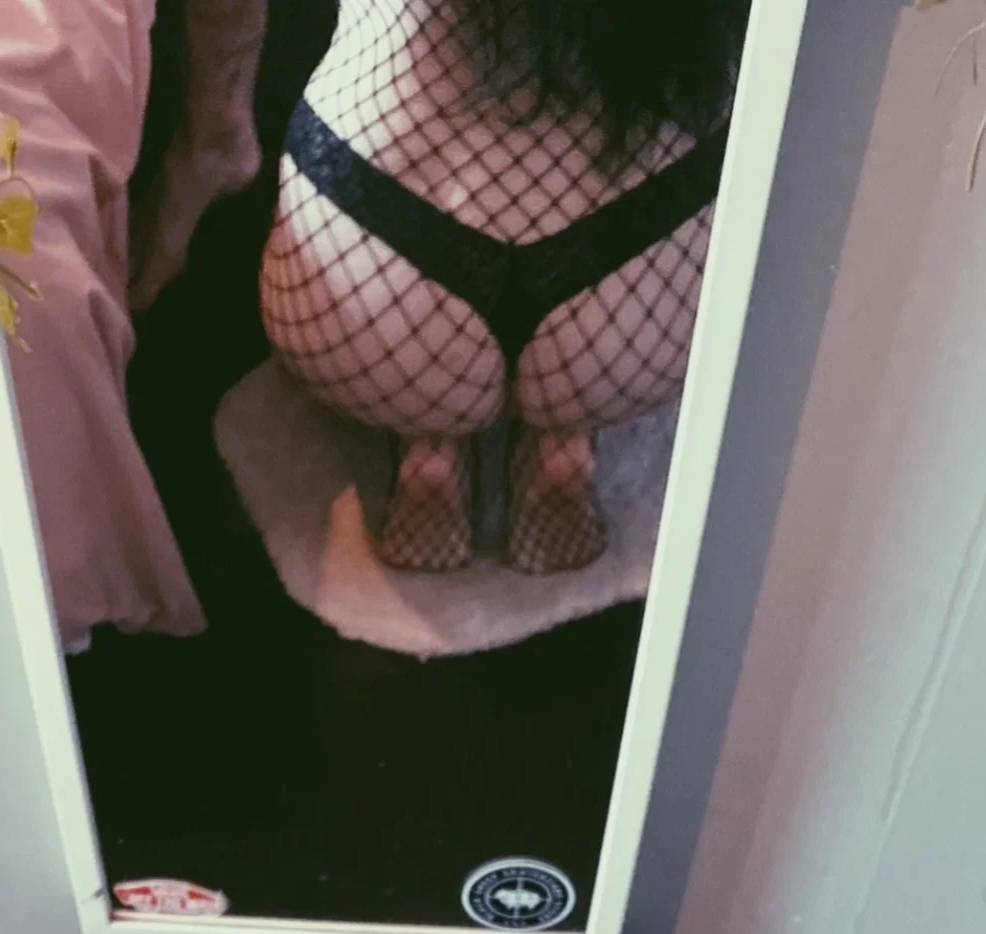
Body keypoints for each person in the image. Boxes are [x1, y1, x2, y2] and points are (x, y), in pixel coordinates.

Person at [132, 0, 748, 572]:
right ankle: (563, 437)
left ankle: (427, 446)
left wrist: (208, 147)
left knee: (422, 368)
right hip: (641, 286)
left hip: (382, 264)